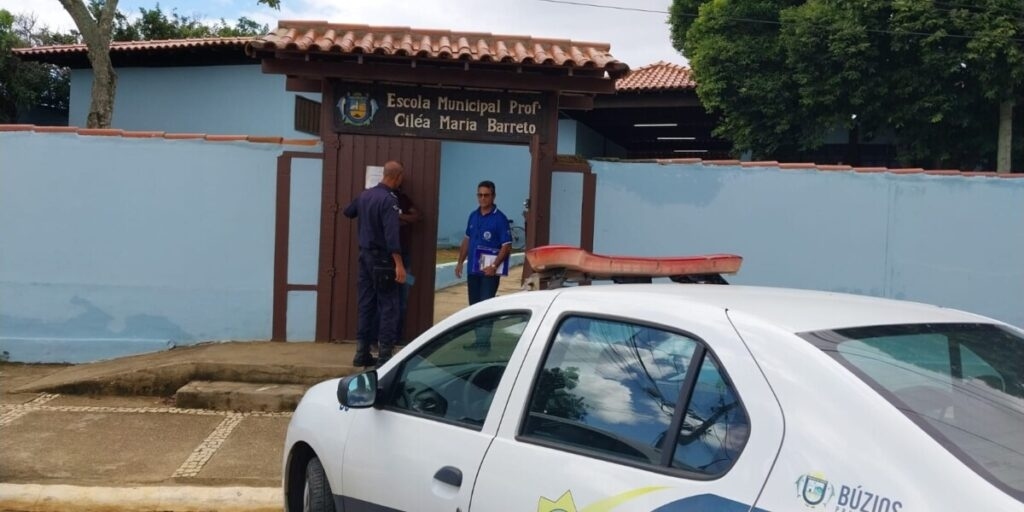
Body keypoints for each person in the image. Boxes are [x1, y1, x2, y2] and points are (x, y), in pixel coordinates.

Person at [343, 160, 407, 367]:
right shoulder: (389, 201)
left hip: (364, 258)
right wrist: (398, 263)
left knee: (366, 304)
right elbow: (391, 235)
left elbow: (348, 211)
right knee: (389, 305)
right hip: (382, 260)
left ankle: (361, 352)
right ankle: (385, 356)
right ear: (397, 177)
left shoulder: (365, 195)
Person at [455, 180, 512, 305]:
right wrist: (460, 262)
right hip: (472, 271)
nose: (482, 198)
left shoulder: (500, 219)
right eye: (479, 195)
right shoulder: (473, 216)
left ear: (493, 196)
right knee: (473, 307)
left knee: (485, 307)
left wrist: (494, 266)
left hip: (489, 273)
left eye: (486, 195)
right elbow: (467, 240)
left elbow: (506, 247)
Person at [396, 187, 422, 342]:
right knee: (385, 300)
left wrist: (400, 217)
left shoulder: (403, 198)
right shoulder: (379, 198)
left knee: (403, 297)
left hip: (404, 256)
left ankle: (398, 336)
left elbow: (417, 216)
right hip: (384, 259)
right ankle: (379, 338)